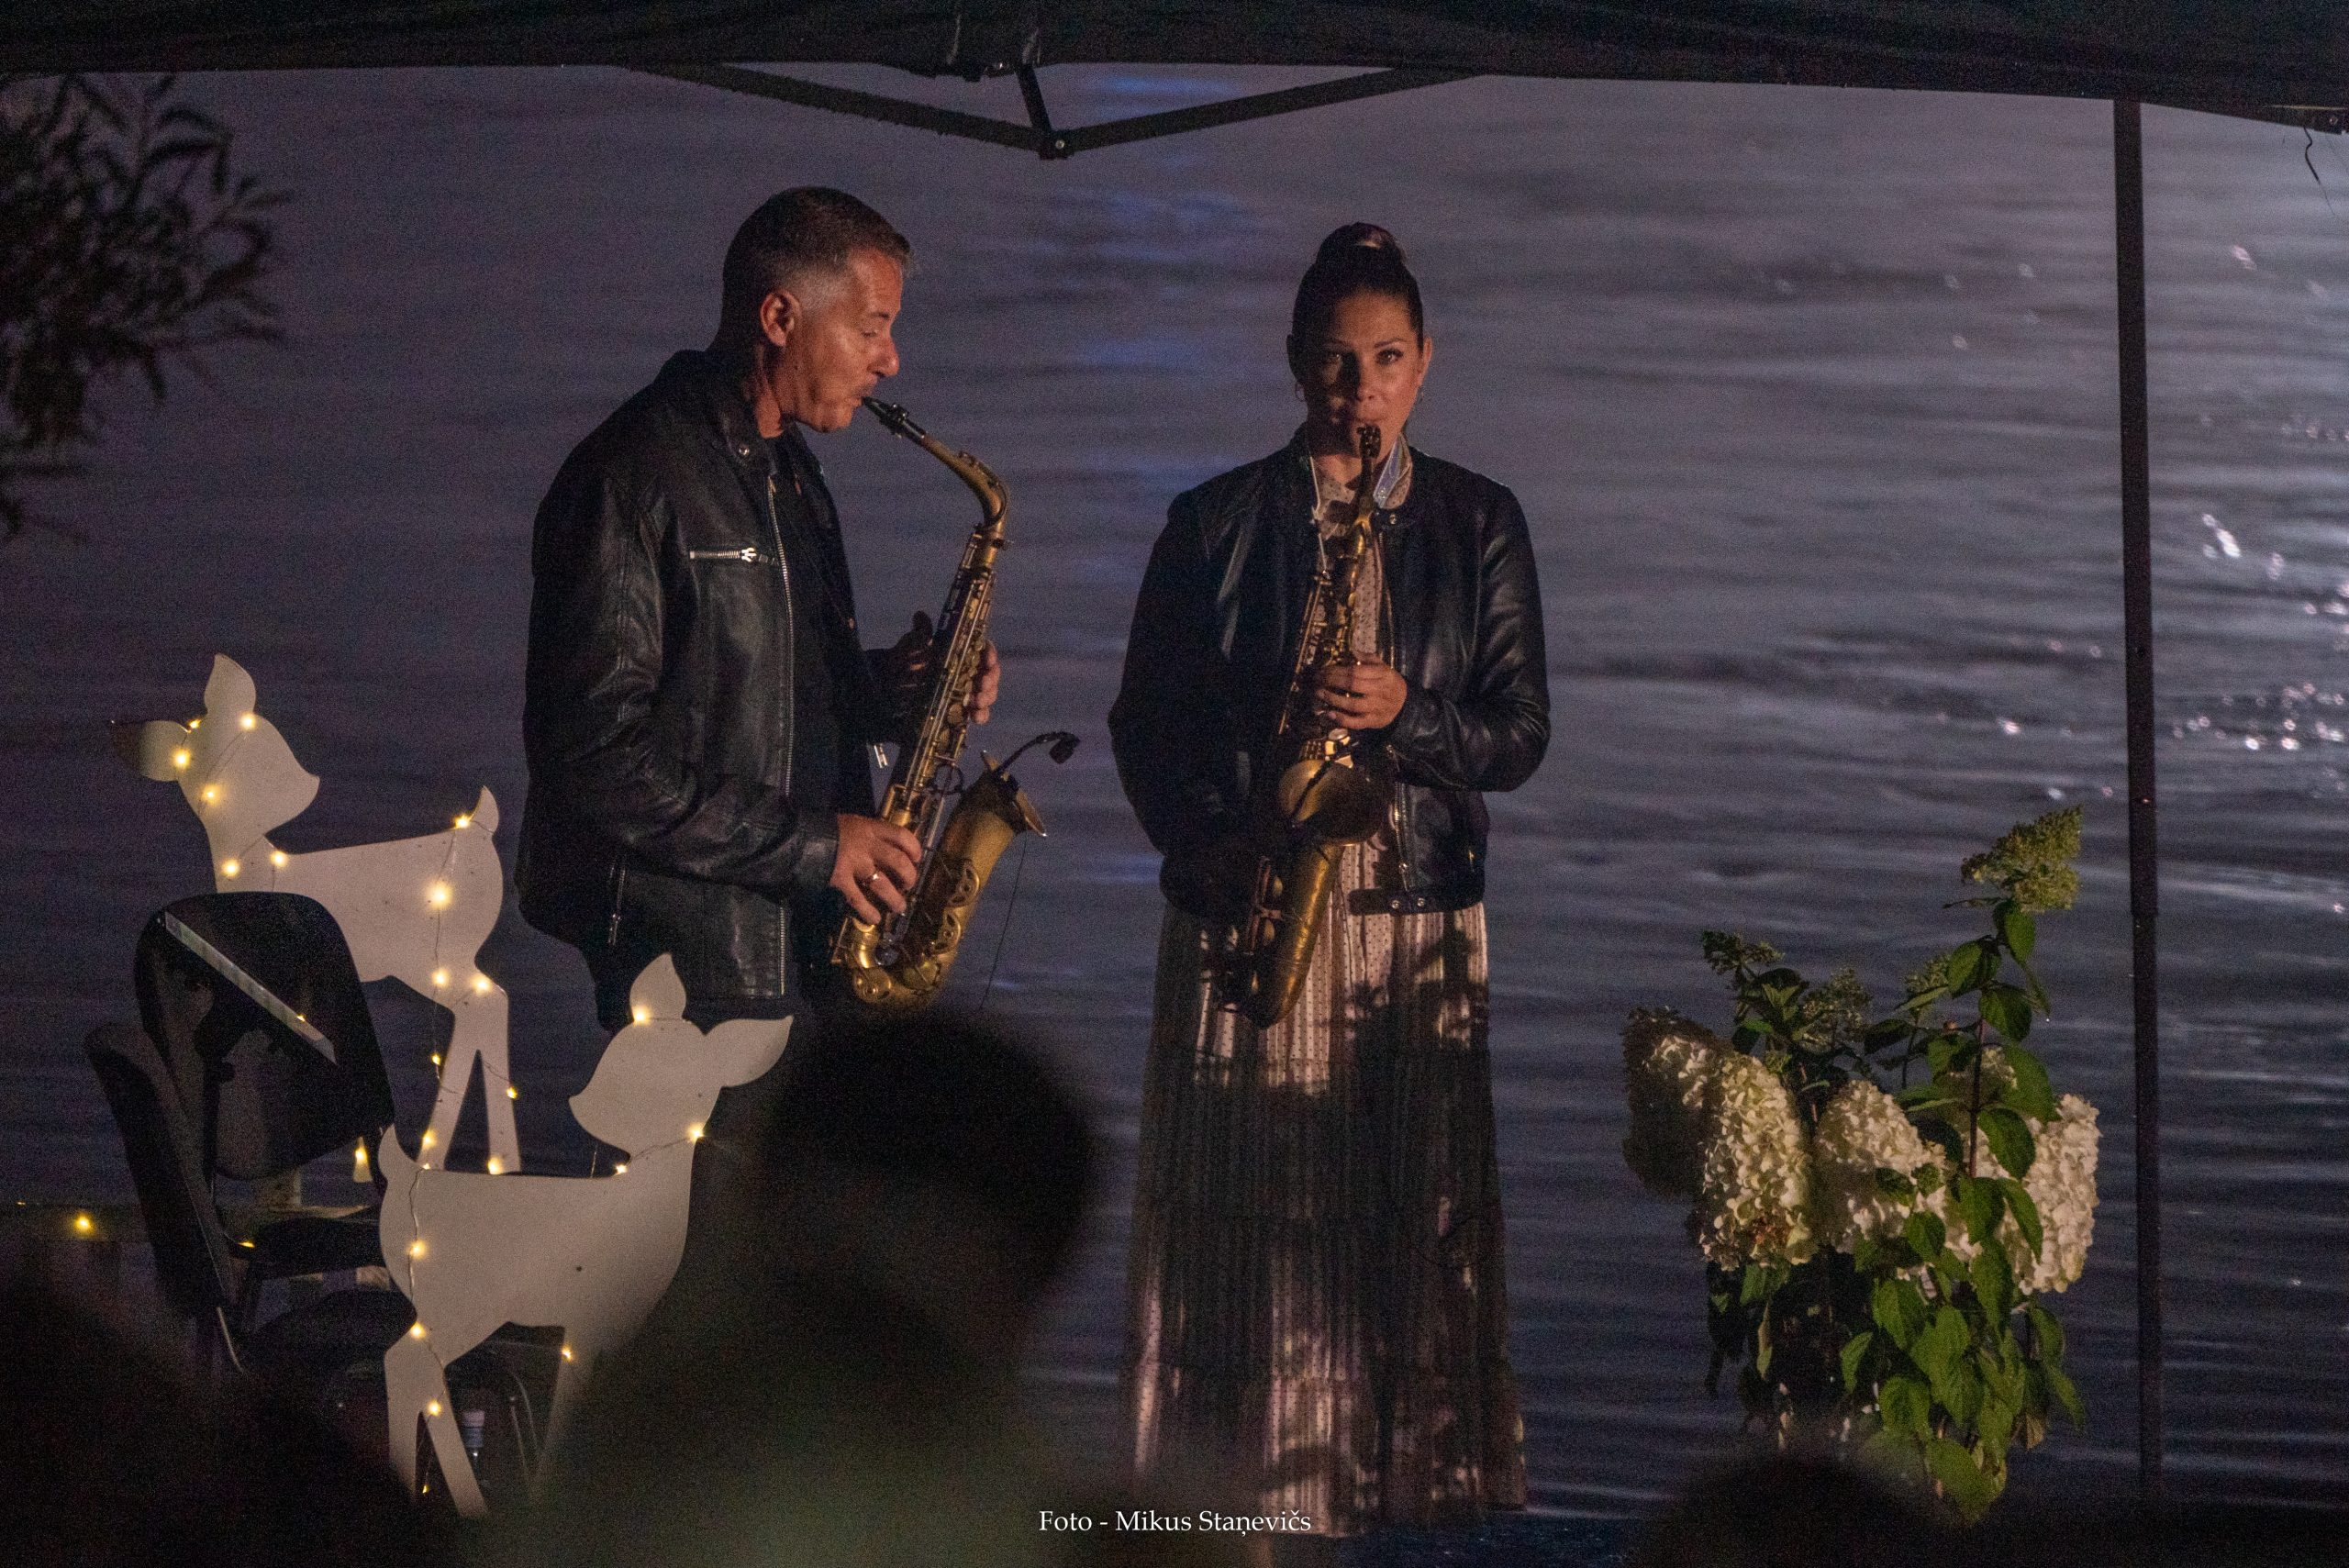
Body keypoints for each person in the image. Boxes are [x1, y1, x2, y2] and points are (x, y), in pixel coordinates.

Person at [1108, 223, 1549, 1558]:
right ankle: (1228, 1517)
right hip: (1262, 908)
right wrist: (1208, 846)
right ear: (1297, 362)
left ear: (1426, 363)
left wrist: (1409, 712)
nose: (1361, 392)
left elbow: (1518, 735)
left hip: (1412, 918)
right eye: (1338, 363)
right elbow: (1143, 726)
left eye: (1387, 361)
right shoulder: (1214, 523)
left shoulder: (1478, 521)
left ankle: (1391, 1521)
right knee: (1244, 1243)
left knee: (1406, 1241)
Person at [518, 186, 998, 1033]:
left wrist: (901, 691)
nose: (890, 361)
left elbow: (765, 697)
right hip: (692, 973)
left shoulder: (791, 470)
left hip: (802, 948)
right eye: (872, 328)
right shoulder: (632, 475)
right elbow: (595, 755)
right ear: (780, 317)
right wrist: (820, 845)